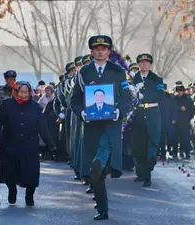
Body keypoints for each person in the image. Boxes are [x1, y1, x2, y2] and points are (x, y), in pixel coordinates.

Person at [71, 35, 130, 220]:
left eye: (104, 48)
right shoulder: (84, 72)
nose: (100, 51)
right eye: (97, 48)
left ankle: (102, 207)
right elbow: (75, 100)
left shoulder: (118, 71)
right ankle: (101, 207)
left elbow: (127, 98)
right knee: (95, 171)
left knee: (101, 161)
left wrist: (119, 112)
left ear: (109, 51)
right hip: (91, 127)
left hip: (110, 125)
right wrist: (81, 113)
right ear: (92, 52)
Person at [0, 81, 55, 206]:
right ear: (16, 92)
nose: (24, 95)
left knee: (31, 172)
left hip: (29, 145)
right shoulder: (7, 104)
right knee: (11, 171)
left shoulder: (35, 107)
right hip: (10, 143)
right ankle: (12, 190)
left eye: (26, 92)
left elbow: (42, 126)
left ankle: (30, 196)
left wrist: (50, 143)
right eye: (21, 92)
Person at [128, 53, 164, 187]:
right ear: (138, 65)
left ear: (150, 64)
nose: (144, 65)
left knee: (152, 143)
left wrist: (144, 96)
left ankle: (148, 172)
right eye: (141, 63)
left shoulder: (157, 80)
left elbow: (160, 95)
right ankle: (141, 172)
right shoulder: (133, 79)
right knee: (138, 144)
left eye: (146, 63)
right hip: (138, 113)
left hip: (152, 113)